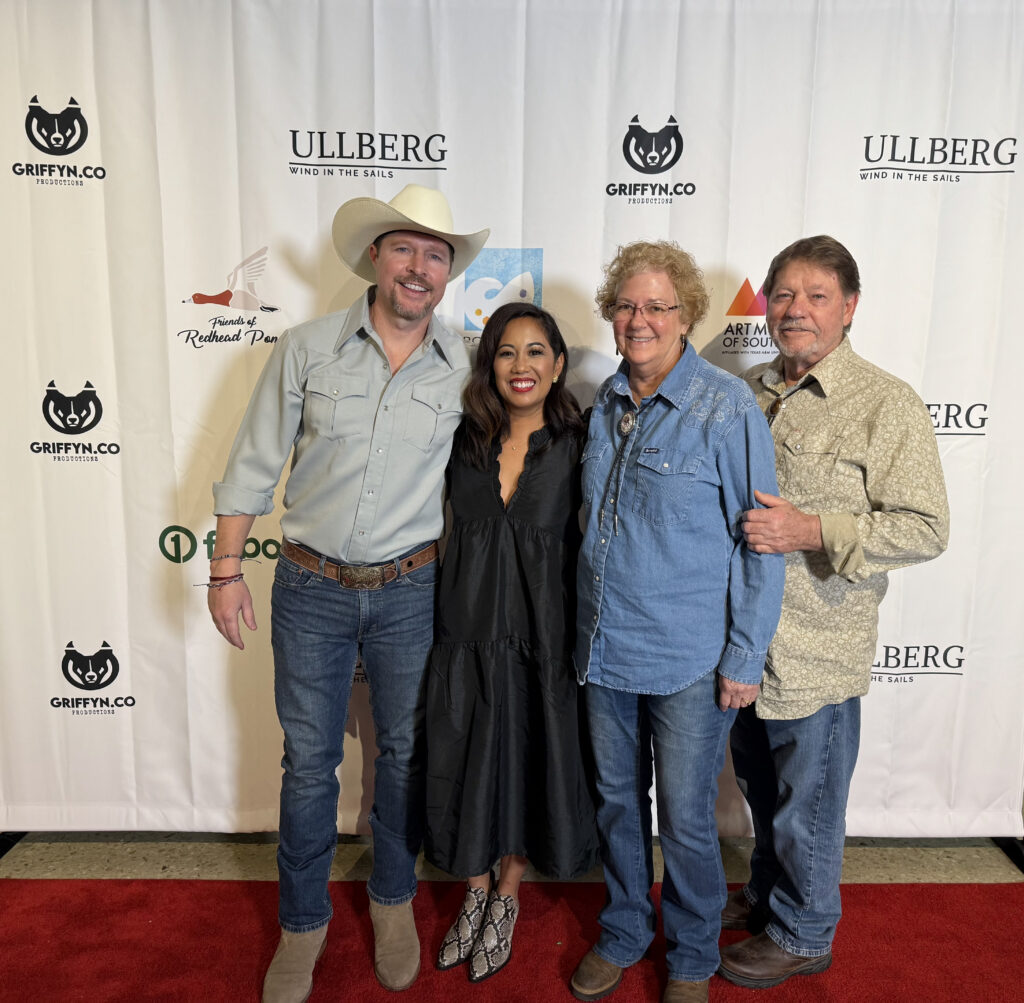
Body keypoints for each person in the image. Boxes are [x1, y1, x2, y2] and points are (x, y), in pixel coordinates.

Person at [207, 184, 489, 1002]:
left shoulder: (467, 361)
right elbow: (254, 461)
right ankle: (303, 923)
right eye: (404, 249)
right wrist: (225, 570)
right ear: (375, 257)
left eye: (436, 256)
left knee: (402, 754)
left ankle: (392, 899)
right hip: (310, 585)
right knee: (309, 765)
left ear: (446, 275)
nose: (419, 267)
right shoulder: (307, 348)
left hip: (412, 588)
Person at [718, 235, 950, 989]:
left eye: (817, 296)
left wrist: (813, 529)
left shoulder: (887, 403)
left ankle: (805, 929)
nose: (796, 309)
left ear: (849, 308)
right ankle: (766, 895)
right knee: (760, 790)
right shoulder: (745, 391)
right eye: (783, 294)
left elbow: (925, 526)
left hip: (818, 646)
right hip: (740, 645)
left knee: (806, 804)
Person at [570, 241, 785, 1003]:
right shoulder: (604, 403)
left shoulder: (727, 410)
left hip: (690, 658)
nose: (640, 319)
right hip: (602, 649)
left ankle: (691, 953)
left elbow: (761, 544)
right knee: (618, 803)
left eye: (658, 305)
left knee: (688, 820)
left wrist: (745, 654)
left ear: (686, 315)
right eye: (627, 305)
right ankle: (627, 928)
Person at [424, 302, 599, 983]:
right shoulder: (458, 437)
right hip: (463, 630)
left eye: (535, 352)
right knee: (461, 756)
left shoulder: (582, 441)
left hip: (541, 635)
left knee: (532, 756)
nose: (520, 366)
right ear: (487, 363)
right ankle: (472, 891)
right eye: (505, 352)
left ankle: (507, 893)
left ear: (558, 365)